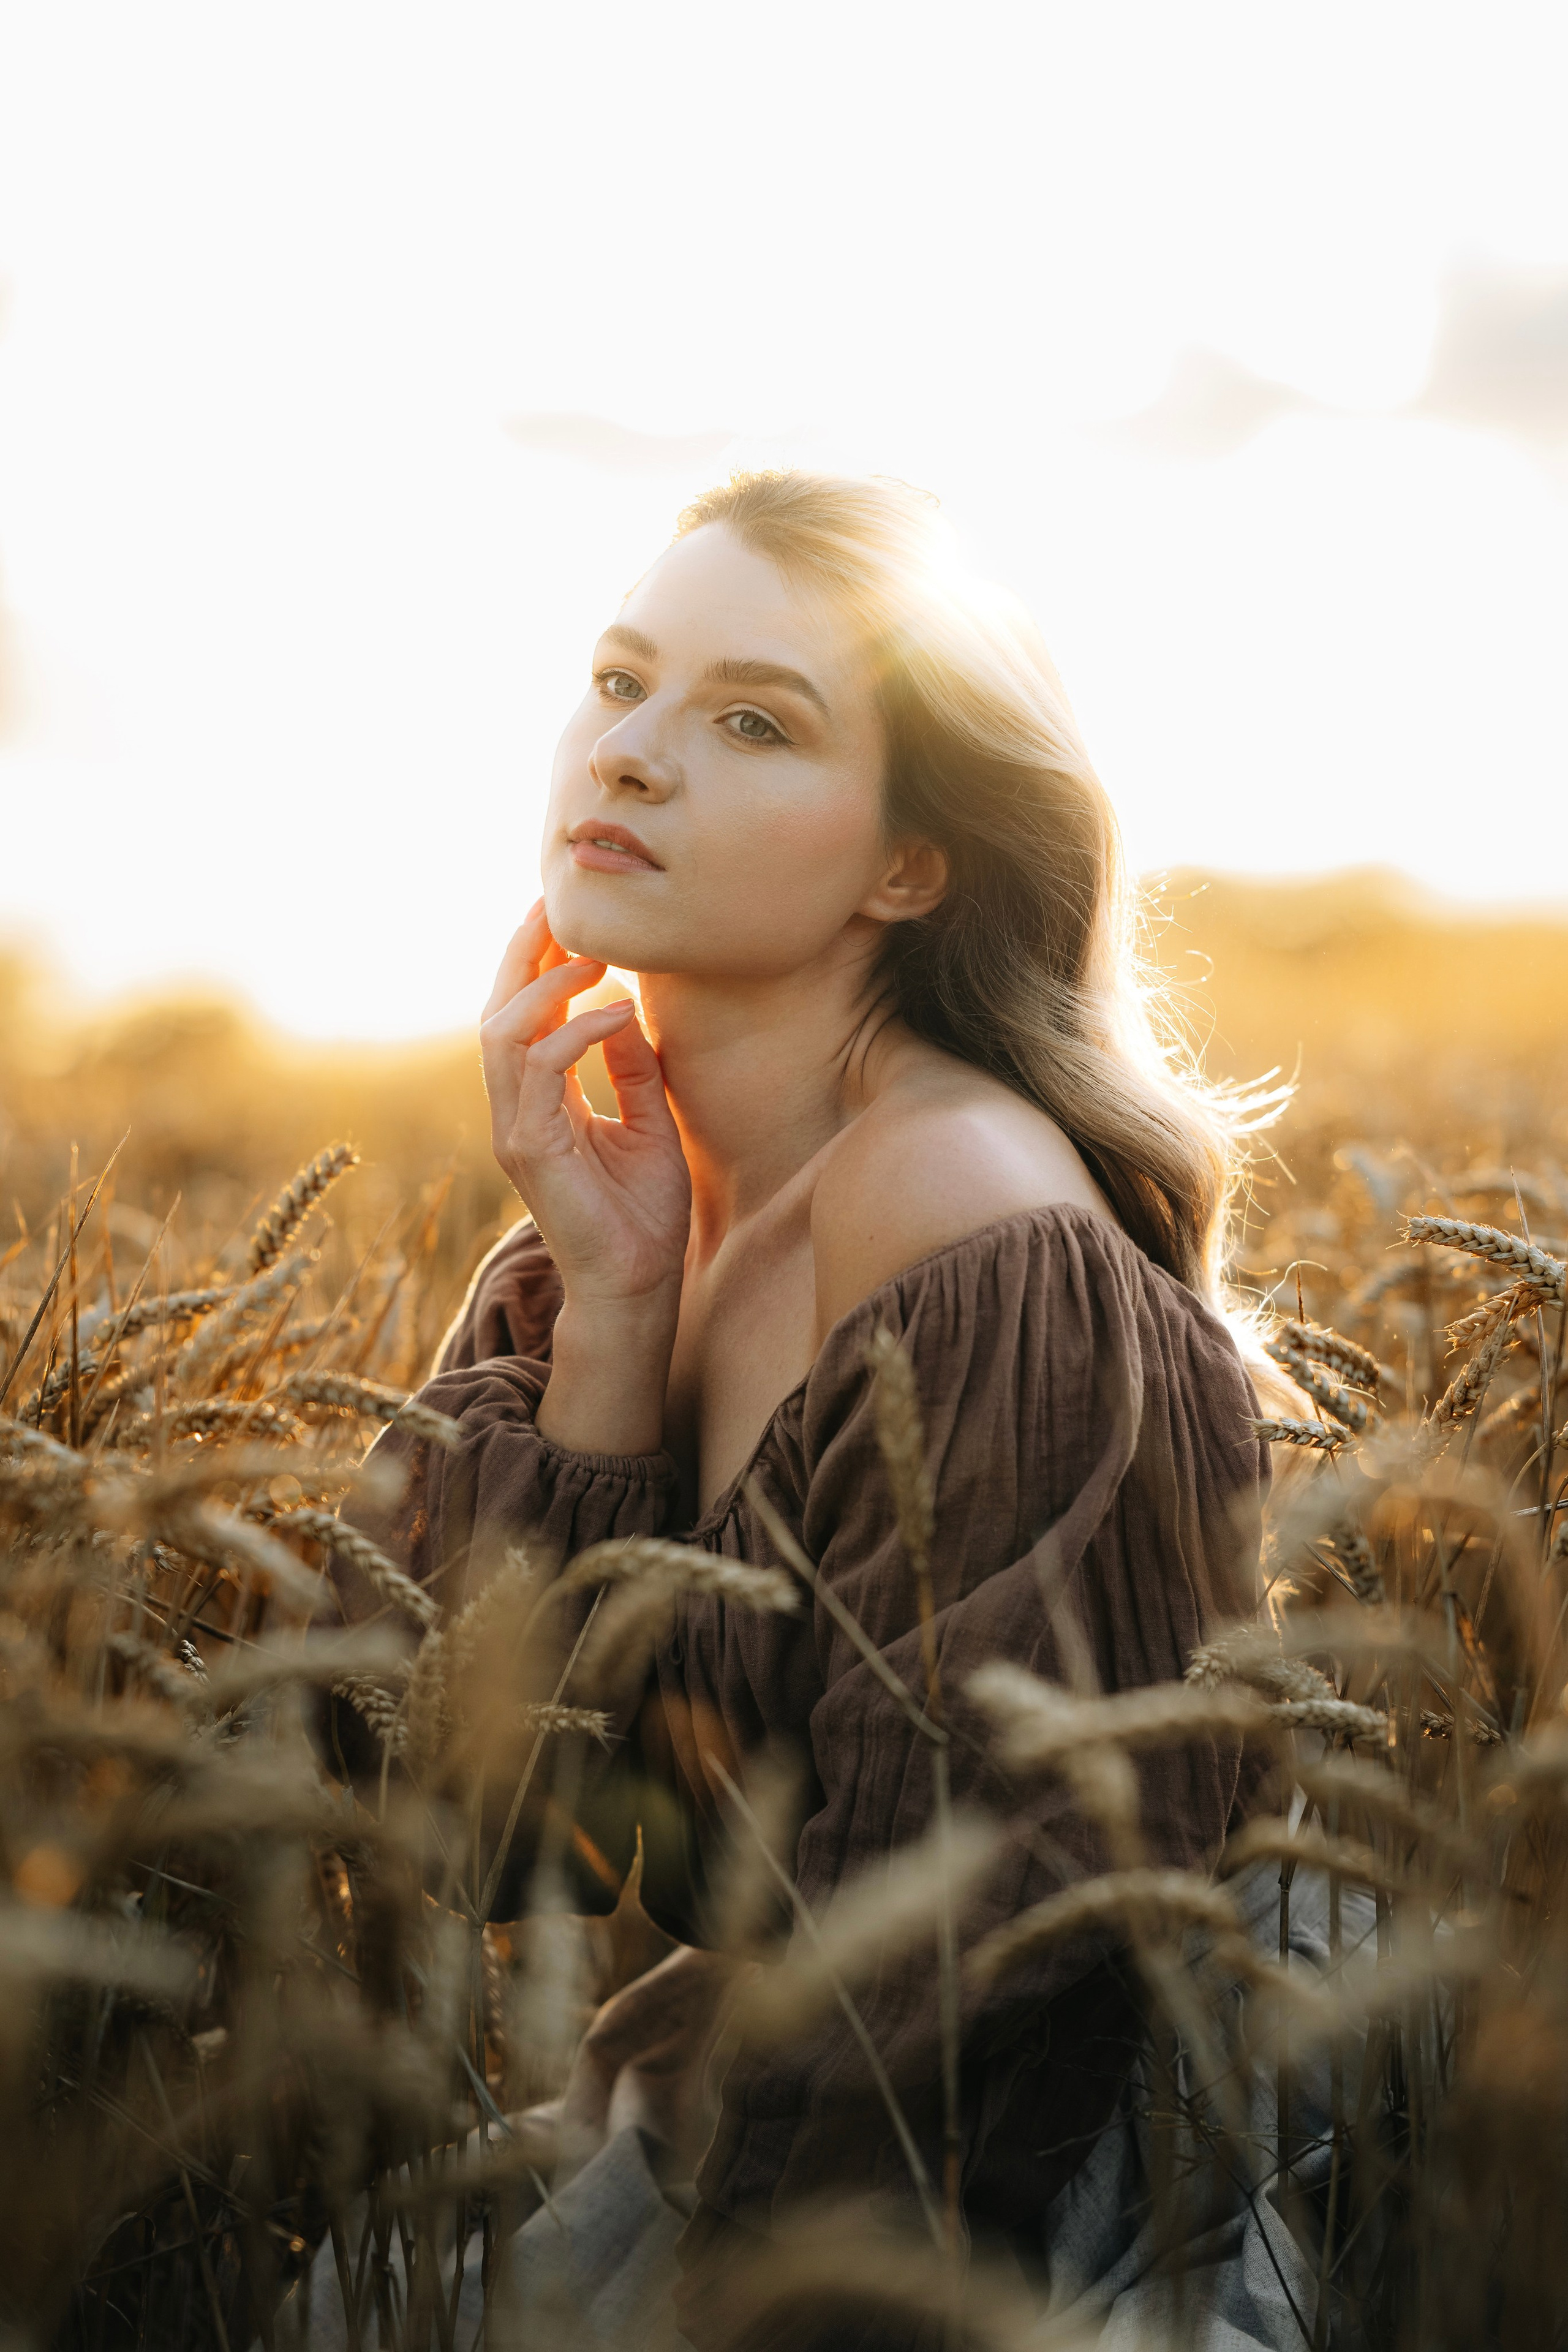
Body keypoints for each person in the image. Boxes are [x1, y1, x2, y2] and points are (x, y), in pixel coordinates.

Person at [345, 472, 1270, 2347]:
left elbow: (988, 1963)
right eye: (622, 680)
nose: (632, 751)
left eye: (754, 721)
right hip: (768, 2084)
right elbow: (504, 1823)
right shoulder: (610, 1225)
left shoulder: (958, 1207)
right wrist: (615, 1317)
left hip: (1034, 2166)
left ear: (909, 865)